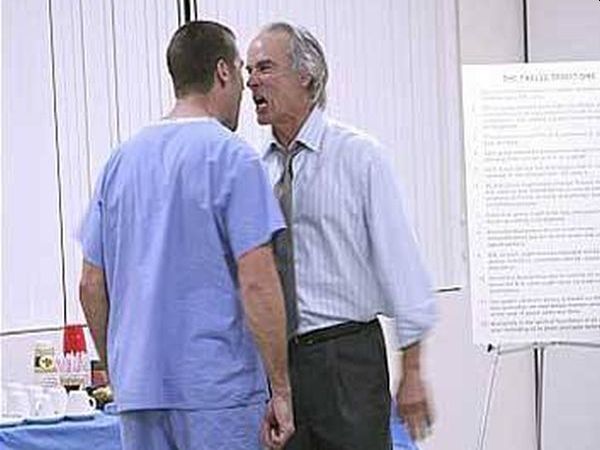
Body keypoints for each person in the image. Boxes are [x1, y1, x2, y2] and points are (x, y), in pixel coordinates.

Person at [79, 20, 294, 450]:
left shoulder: (120, 162)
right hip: (218, 394)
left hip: (140, 394)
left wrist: (121, 374)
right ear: (222, 72)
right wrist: (282, 388)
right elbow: (257, 281)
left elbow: (90, 285)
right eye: (241, 71)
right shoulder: (233, 159)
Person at [245, 22, 437, 449]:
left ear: (306, 76)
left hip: (347, 358)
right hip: (281, 367)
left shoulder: (359, 157)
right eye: (248, 71)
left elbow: (402, 265)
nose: (252, 81)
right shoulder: (257, 171)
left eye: (265, 68)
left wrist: (413, 371)